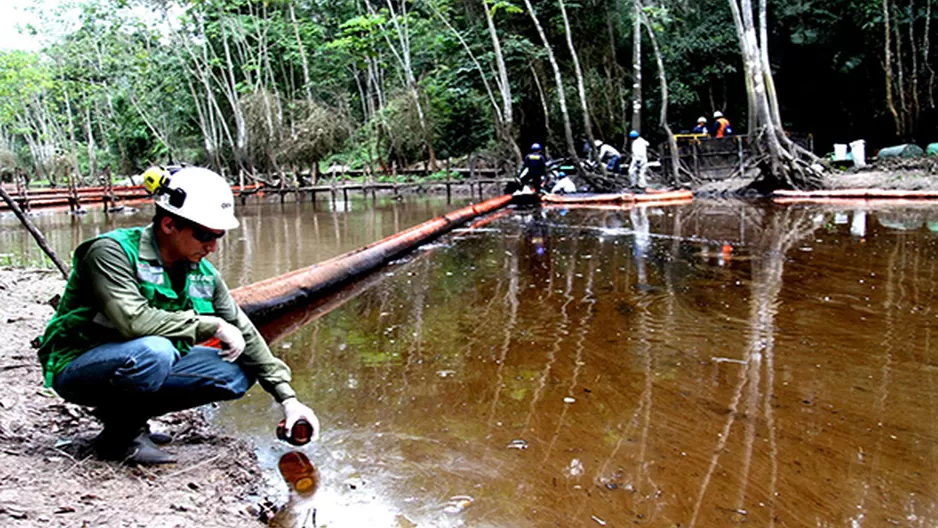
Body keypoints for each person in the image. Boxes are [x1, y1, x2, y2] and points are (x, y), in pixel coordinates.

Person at [36, 166, 320, 465]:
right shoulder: (110, 253)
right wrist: (211, 325)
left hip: (143, 359)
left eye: (218, 236)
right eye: (204, 235)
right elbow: (133, 321)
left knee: (237, 372)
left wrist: (287, 399)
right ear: (169, 224)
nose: (211, 247)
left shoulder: (203, 274)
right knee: (155, 351)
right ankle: (121, 436)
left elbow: (245, 330)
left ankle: (133, 419)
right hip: (79, 364)